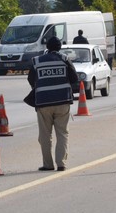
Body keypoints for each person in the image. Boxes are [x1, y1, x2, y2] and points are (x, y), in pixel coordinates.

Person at [27, 36, 78, 172]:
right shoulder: (64, 59)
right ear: (59, 47)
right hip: (62, 102)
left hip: (43, 102)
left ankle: (48, 164)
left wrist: (40, 87)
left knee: (44, 135)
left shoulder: (37, 61)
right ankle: (61, 164)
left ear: (47, 47)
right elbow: (75, 78)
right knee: (62, 133)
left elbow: (31, 79)